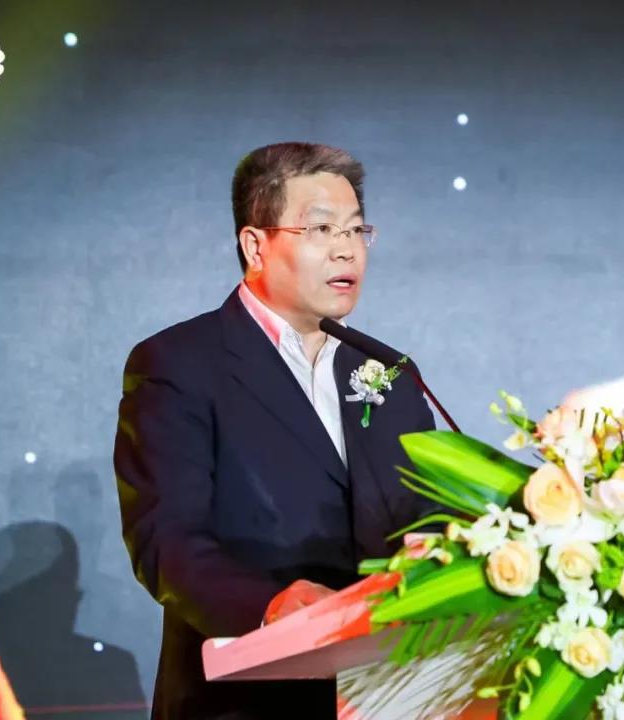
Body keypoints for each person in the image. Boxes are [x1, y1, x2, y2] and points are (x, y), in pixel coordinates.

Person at [112, 142, 437, 719]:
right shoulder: (179, 363)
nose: (346, 248)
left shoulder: (390, 375)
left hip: (391, 696)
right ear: (254, 245)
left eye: (357, 230)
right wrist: (269, 607)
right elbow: (167, 541)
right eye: (321, 229)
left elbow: (426, 518)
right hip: (245, 700)